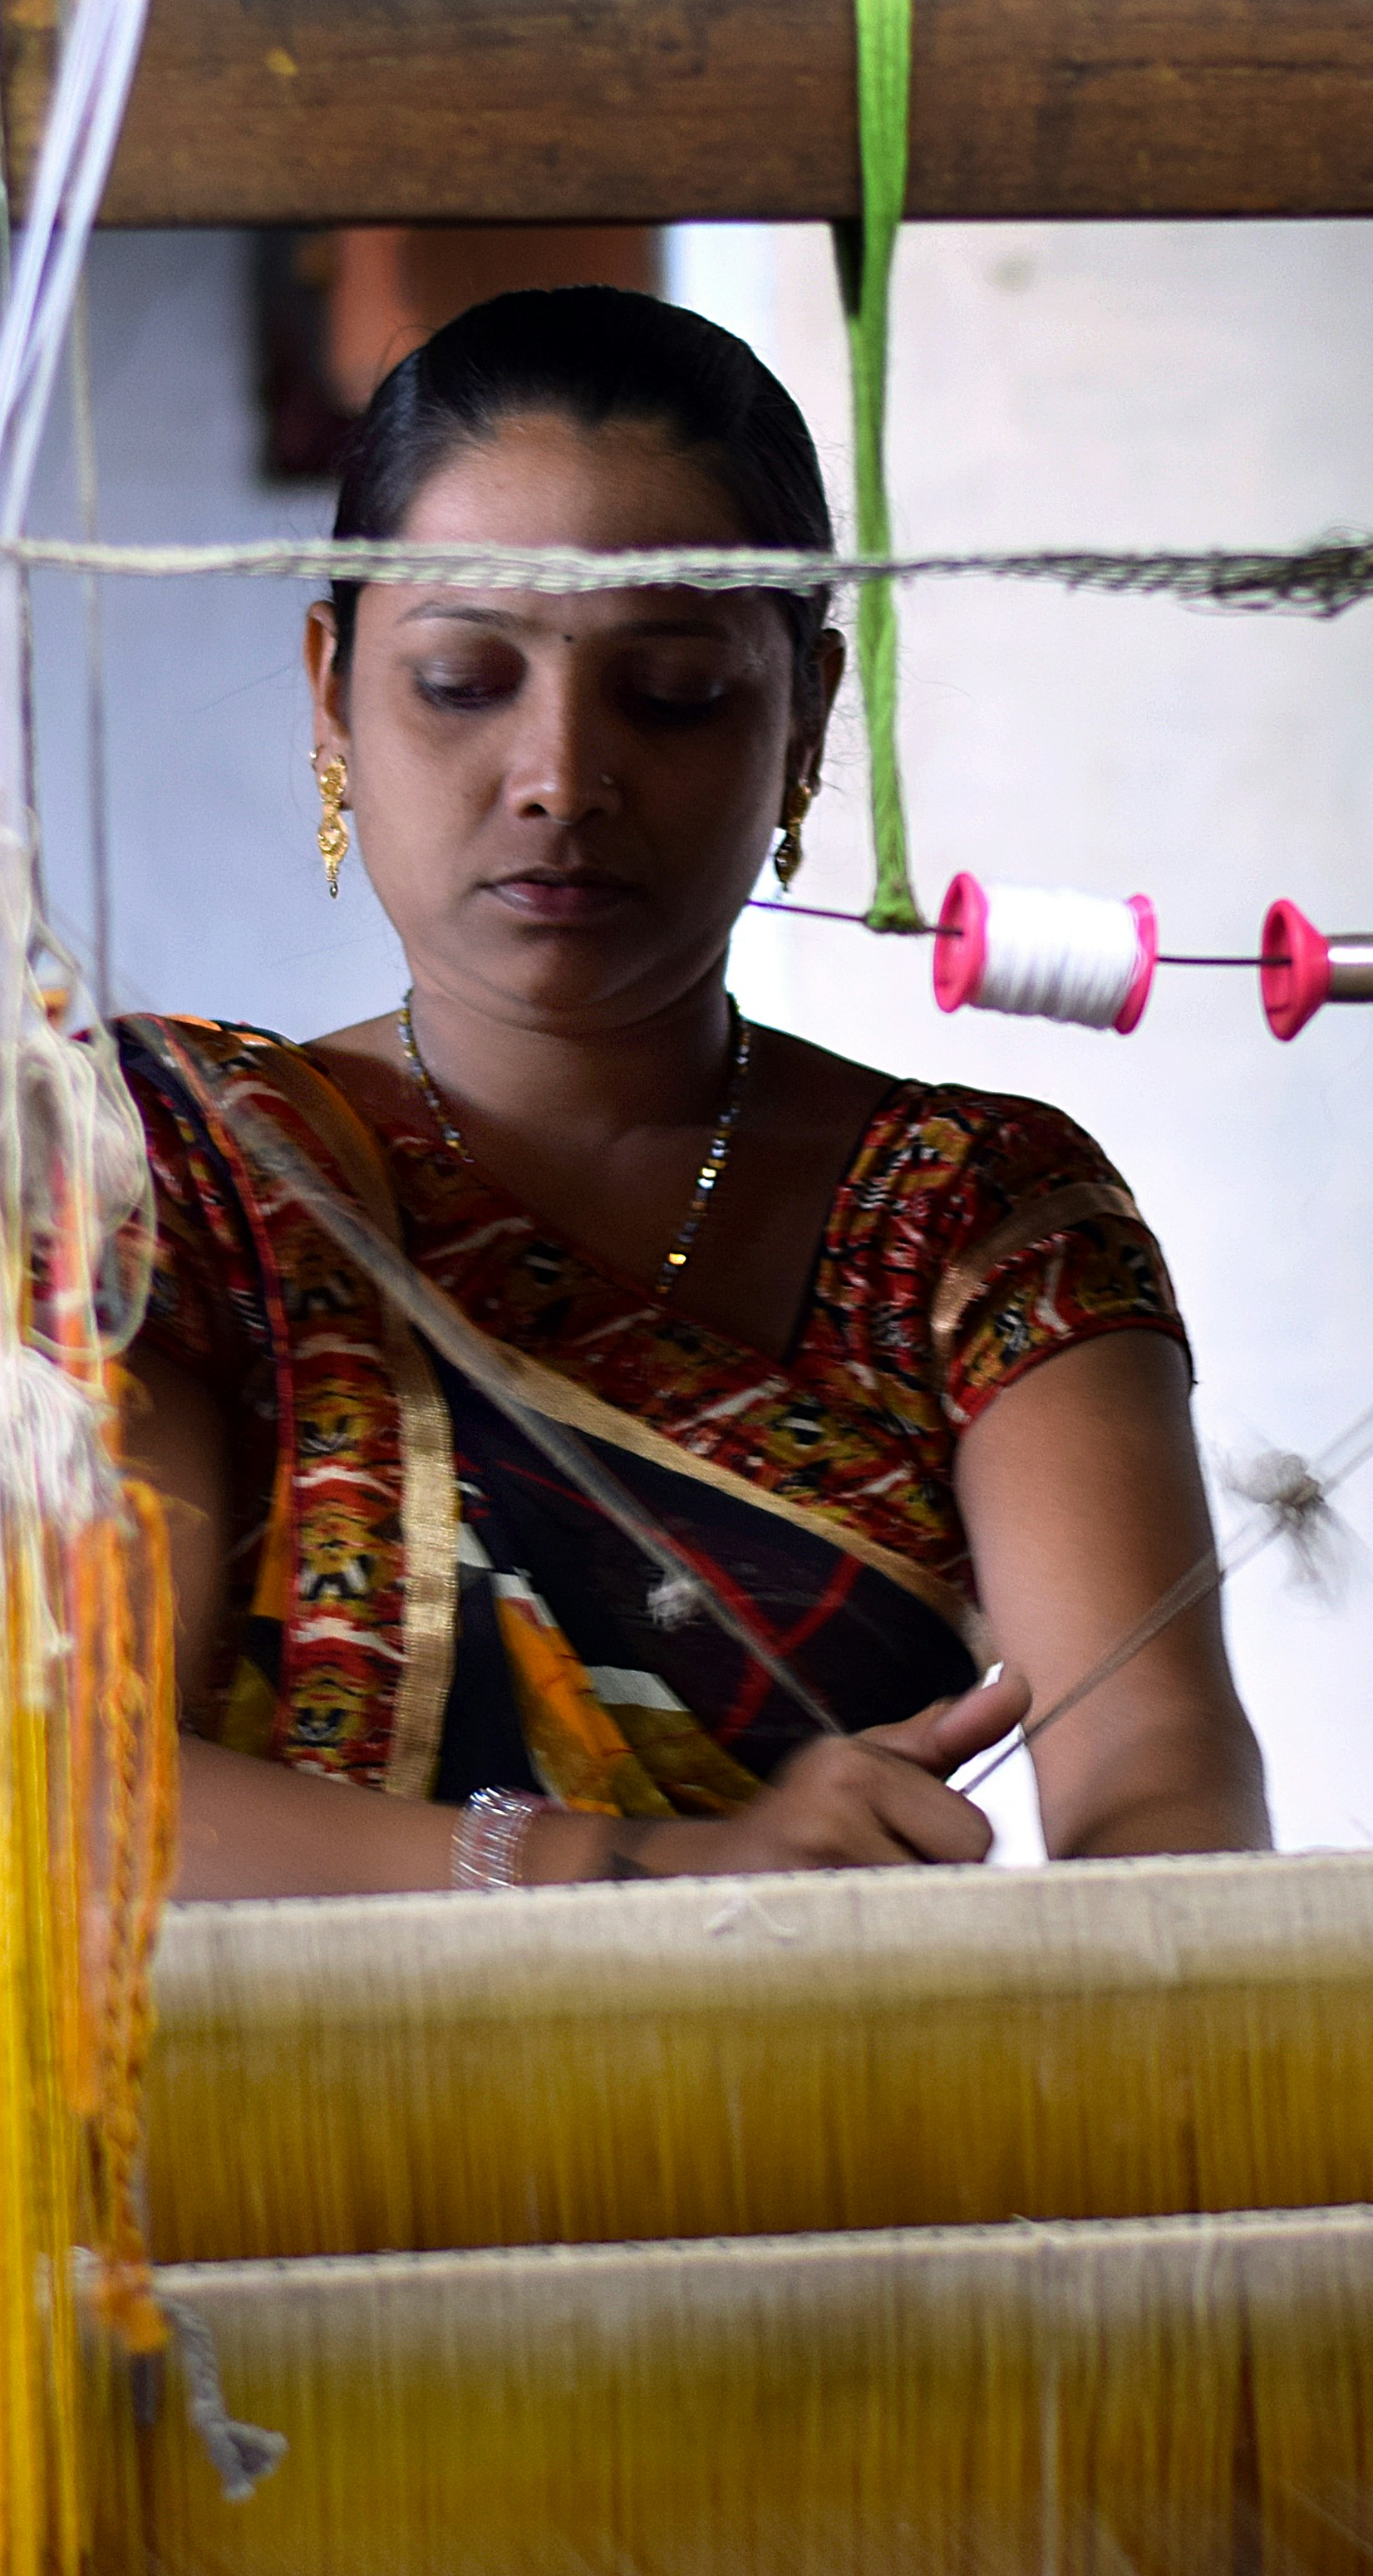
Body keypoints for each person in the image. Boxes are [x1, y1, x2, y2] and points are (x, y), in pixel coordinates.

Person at [125, 285, 1266, 1898]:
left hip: (852, 2132)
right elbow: (65, 1807)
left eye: (671, 692)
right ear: (332, 691)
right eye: (464, 679)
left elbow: (1158, 1775)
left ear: (804, 714)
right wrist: (640, 1869)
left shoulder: (971, 1216)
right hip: (278, 2146)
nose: (561, 776)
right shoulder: (164, 1176)